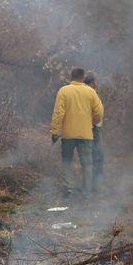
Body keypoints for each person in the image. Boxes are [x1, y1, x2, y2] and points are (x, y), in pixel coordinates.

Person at [50, 67, 104, 198]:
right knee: (87, 163)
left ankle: (69, 187)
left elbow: (58, 113)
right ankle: (87, 192)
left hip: (68, 135)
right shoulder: (90, 92)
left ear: (71, 77)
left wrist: (55, 132)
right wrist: (91, 122)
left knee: (66, 161)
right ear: (83, 77)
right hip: (86, 134)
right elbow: (99, 112)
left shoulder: (64, 91)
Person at [84, 73, 105, 194]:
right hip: (92, 129)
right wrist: (95, 123)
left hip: (88, 129)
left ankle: (90, 185)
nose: (97, 84)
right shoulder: (90, 94)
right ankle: (94, 186)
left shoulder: (82, 93)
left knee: (90, 156)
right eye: (95, 81)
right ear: (91, 83)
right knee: (97, 156)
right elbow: (97, 112)